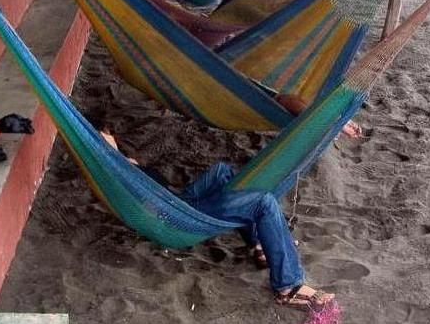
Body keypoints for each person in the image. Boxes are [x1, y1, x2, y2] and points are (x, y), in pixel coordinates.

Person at [97, 122, 336, 309]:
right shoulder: (118, 171)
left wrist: (126, 159)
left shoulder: (127, 166)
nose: (112, 142)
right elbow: (143, 205)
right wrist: (116, 156)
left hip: (179, 199)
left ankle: (259, 242)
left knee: (222, 172)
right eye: (106, 140)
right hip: (177, 214)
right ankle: (288, 286)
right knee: (264, 203)